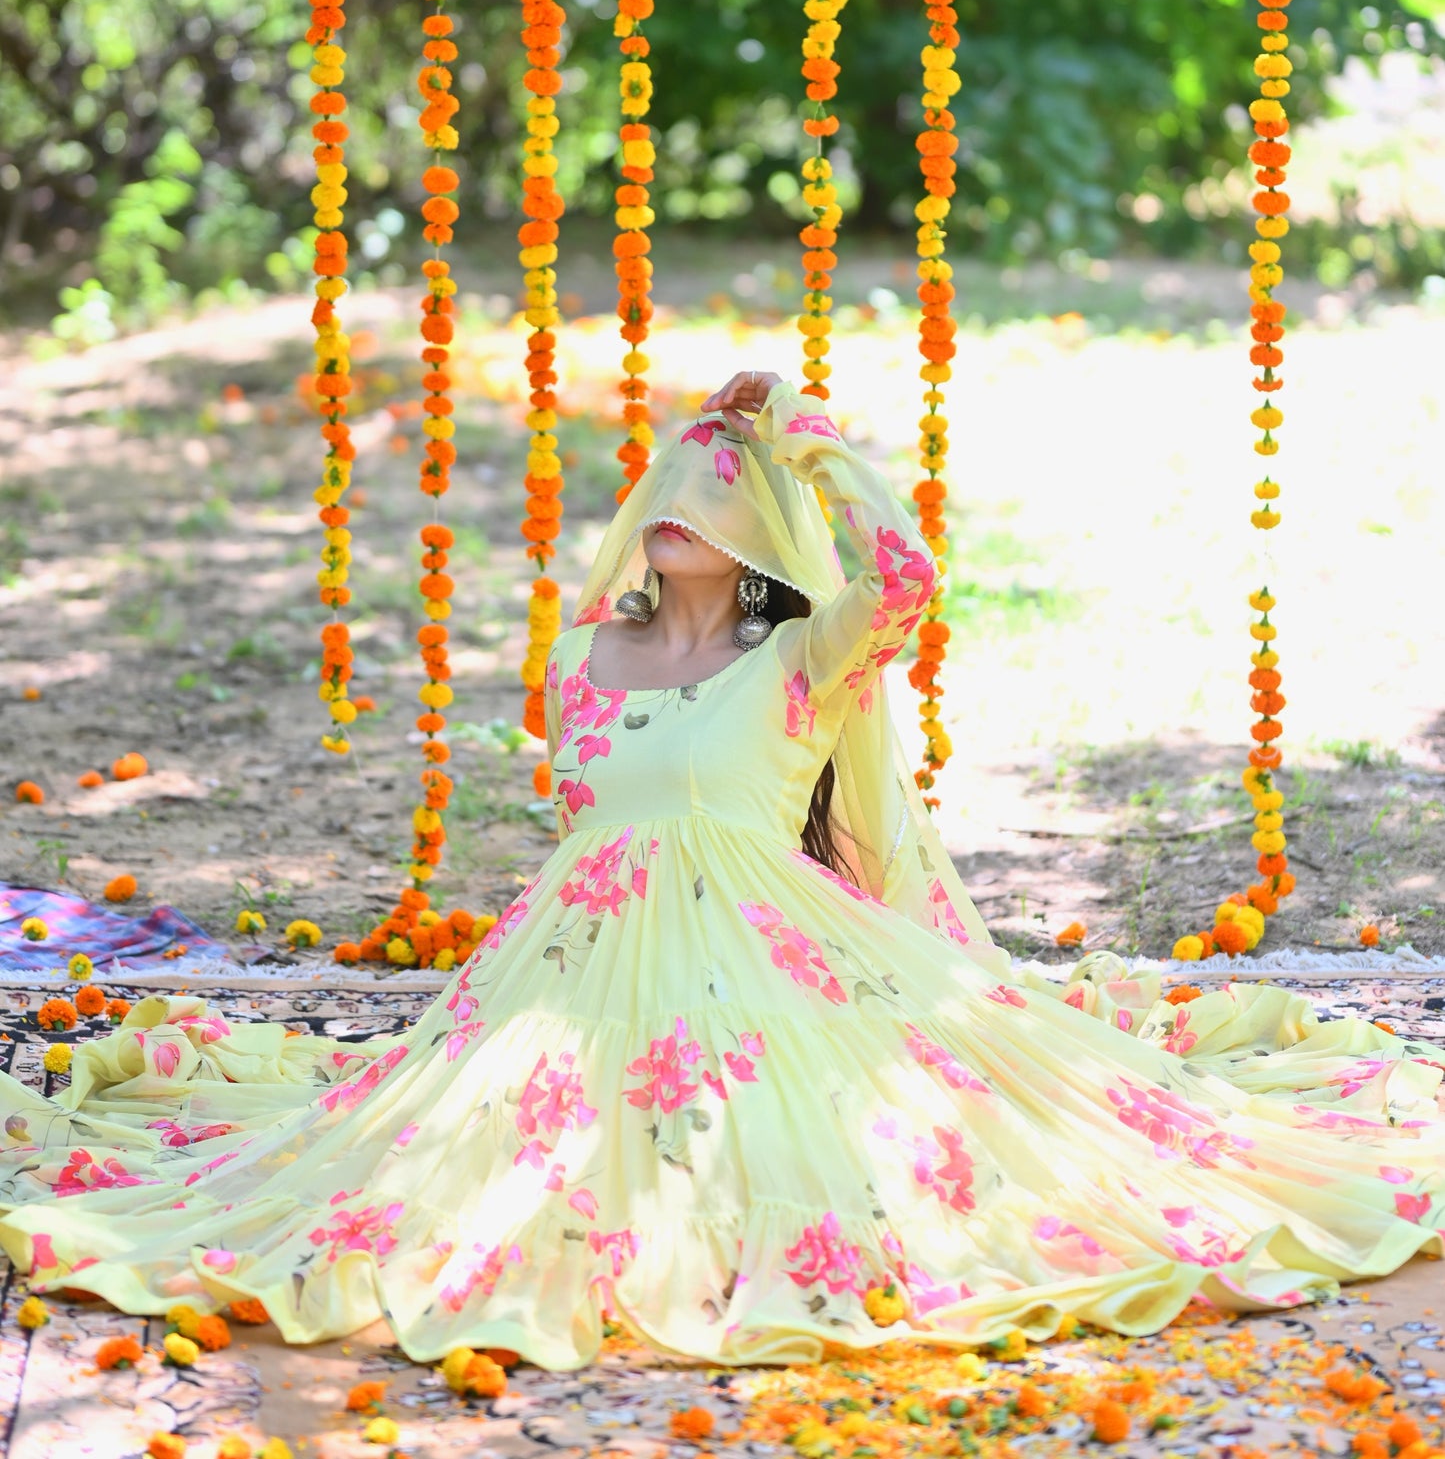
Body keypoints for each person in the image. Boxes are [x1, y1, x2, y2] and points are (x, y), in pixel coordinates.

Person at [0, 371, 1440, 1370]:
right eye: (675, 475)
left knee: (797, 1162)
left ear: (763, 523)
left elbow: (911, 575)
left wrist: (802, 438)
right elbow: (588, 821)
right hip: (577, 960)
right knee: (464, 1169)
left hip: (762, 943)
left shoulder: (802, 651)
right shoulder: (584, 658)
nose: (690, 494)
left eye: (722, 481)